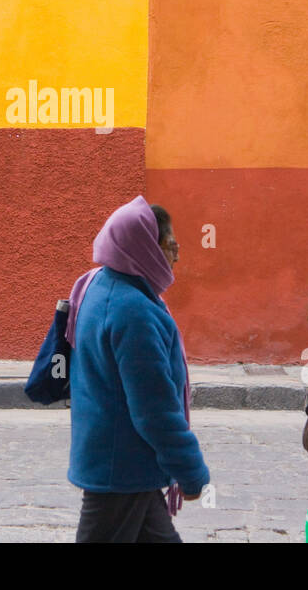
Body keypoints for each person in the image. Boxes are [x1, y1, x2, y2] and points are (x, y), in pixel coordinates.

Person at [66, 195, 209, 542]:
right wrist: (190, 470)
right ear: (147, 248)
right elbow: (154, 409)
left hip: (122, 463)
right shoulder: (134, 311)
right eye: (171, 246)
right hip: (121, 469)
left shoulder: (97, 283)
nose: (177, 256)